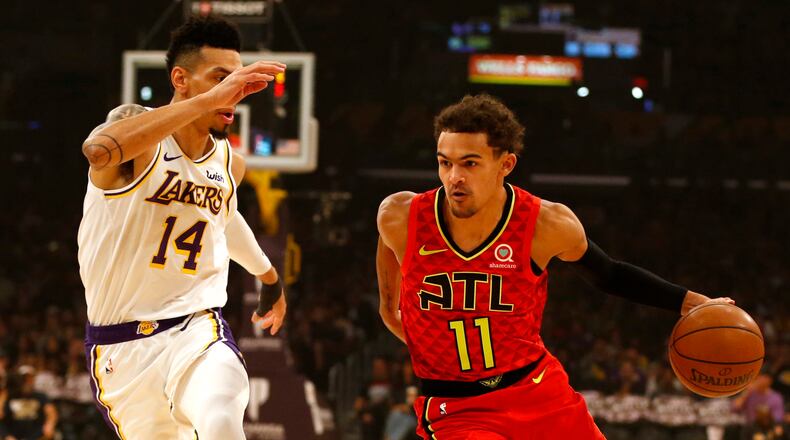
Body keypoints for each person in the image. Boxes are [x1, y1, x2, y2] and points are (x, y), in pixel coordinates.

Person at [376, 94, 734, 439]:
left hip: (537, 391)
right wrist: (437, 352)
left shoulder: (546, 224)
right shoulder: (400, 218)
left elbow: (609, 274)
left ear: (506, 164)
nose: (455, 176)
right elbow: (391, 311)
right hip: (458, 408)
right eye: (445, 162)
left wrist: (691, 302)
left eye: (470, 163)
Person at [77, 15, 287, 439]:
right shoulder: (137, 133)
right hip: (121, 348)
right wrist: (206, 102)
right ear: (181, 78)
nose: (235, 91)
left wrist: (269, 277)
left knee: (220, 417)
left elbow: (222, 221)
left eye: (239, 81)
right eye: (220, 78)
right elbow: (98, 152)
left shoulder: (229, 164)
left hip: (196, 327)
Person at [0, 366, 58, 440]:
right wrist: (7, 436)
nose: (27, 382)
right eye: (24, 379)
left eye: (30, 378)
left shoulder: (41, 396)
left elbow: (51, 413)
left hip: (36, 436)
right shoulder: (9, 396)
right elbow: (1, 416)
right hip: (13, 436)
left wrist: (50, 424)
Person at [732, 374, 785, 439]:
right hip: (749, 430)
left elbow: (778, 418)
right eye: (758, 378)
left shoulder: (776, 397)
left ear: (769, 380)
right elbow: (734, 408)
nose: (759, 380)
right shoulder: (750, 393)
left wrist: (765, 415)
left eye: (762, 378)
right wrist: (747, 391)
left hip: (767, 430)